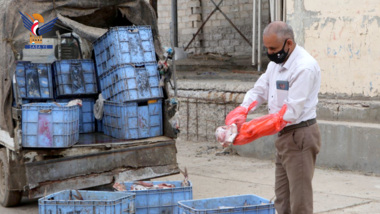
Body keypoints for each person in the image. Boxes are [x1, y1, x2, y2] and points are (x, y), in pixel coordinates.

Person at [240, 21, 321, 213]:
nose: (269, 52)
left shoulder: (304, 67)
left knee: (300, 203)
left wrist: (253, 129)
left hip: (299, 136)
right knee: (282, 200)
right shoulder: (275, 65)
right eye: (266, 48)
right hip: (283, 136)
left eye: (273, 48)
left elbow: (291, 113)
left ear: (289, 44)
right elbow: (260, 90)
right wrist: (242, 110)